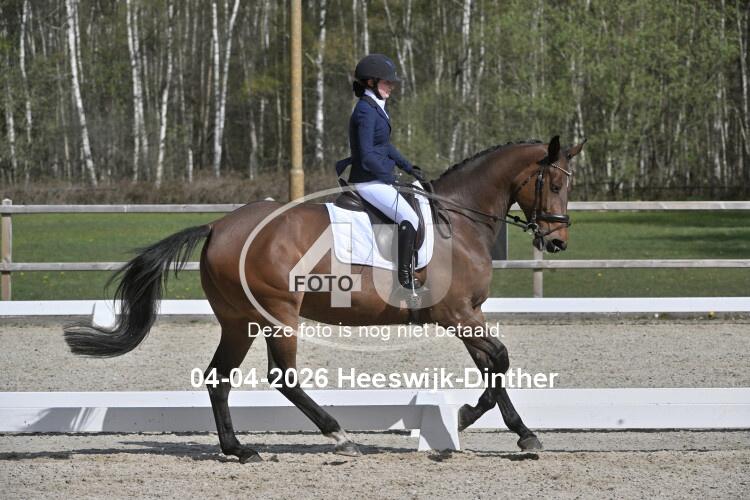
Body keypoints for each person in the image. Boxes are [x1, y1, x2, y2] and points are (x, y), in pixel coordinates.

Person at [335, 54, 425, 293]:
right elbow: (366, 155)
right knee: (409, 218)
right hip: (368, 181)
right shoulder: (365, 110)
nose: (391, 86)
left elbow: (384, 146)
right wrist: (389, 176)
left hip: (377, 178)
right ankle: (404, 280)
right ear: (371, 82)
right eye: (387, 82)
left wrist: (409, 167)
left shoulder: (376, 108)